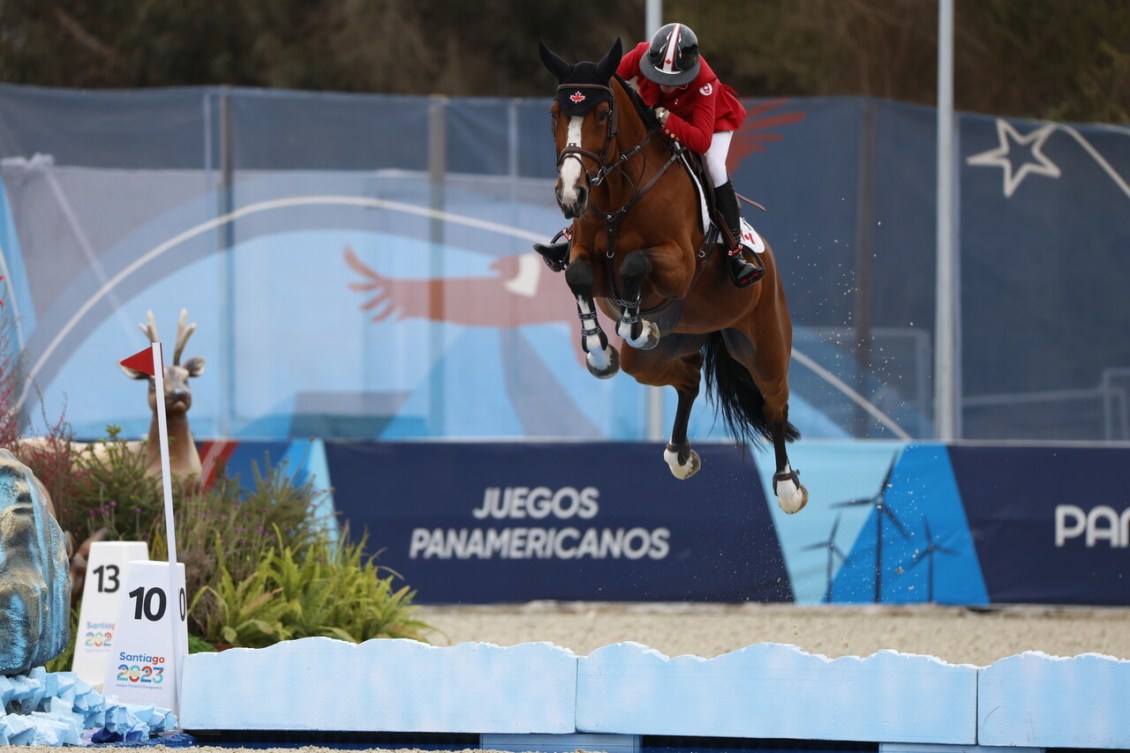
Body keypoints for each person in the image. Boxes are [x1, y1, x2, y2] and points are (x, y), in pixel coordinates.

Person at [536, 22, 763, 288]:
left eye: (674, 81)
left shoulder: (705, 84)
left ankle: (735, 252)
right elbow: (606, 82)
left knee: (713, 166)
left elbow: (700, 142)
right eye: (660, 78)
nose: (666, 86)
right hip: (660, 116)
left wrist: (667, 119)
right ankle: (574, 238)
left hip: (710, 126)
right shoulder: (641, 53)